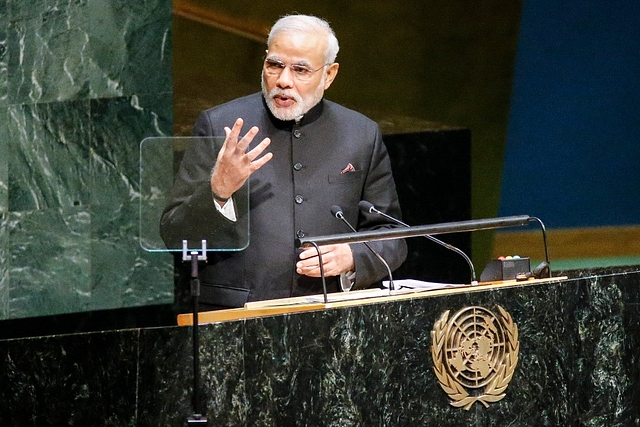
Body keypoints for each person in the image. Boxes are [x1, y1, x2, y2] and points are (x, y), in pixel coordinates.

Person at [160, 14, 407, 310]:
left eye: (300, 70)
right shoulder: (219, 126)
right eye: (274, 65)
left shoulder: (361, 134)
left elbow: (393, 236)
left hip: (329, 318)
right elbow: (175, 236)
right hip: (237, 317)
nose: (283, 81)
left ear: (329, 75)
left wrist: (353, 255)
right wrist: (217, 191)